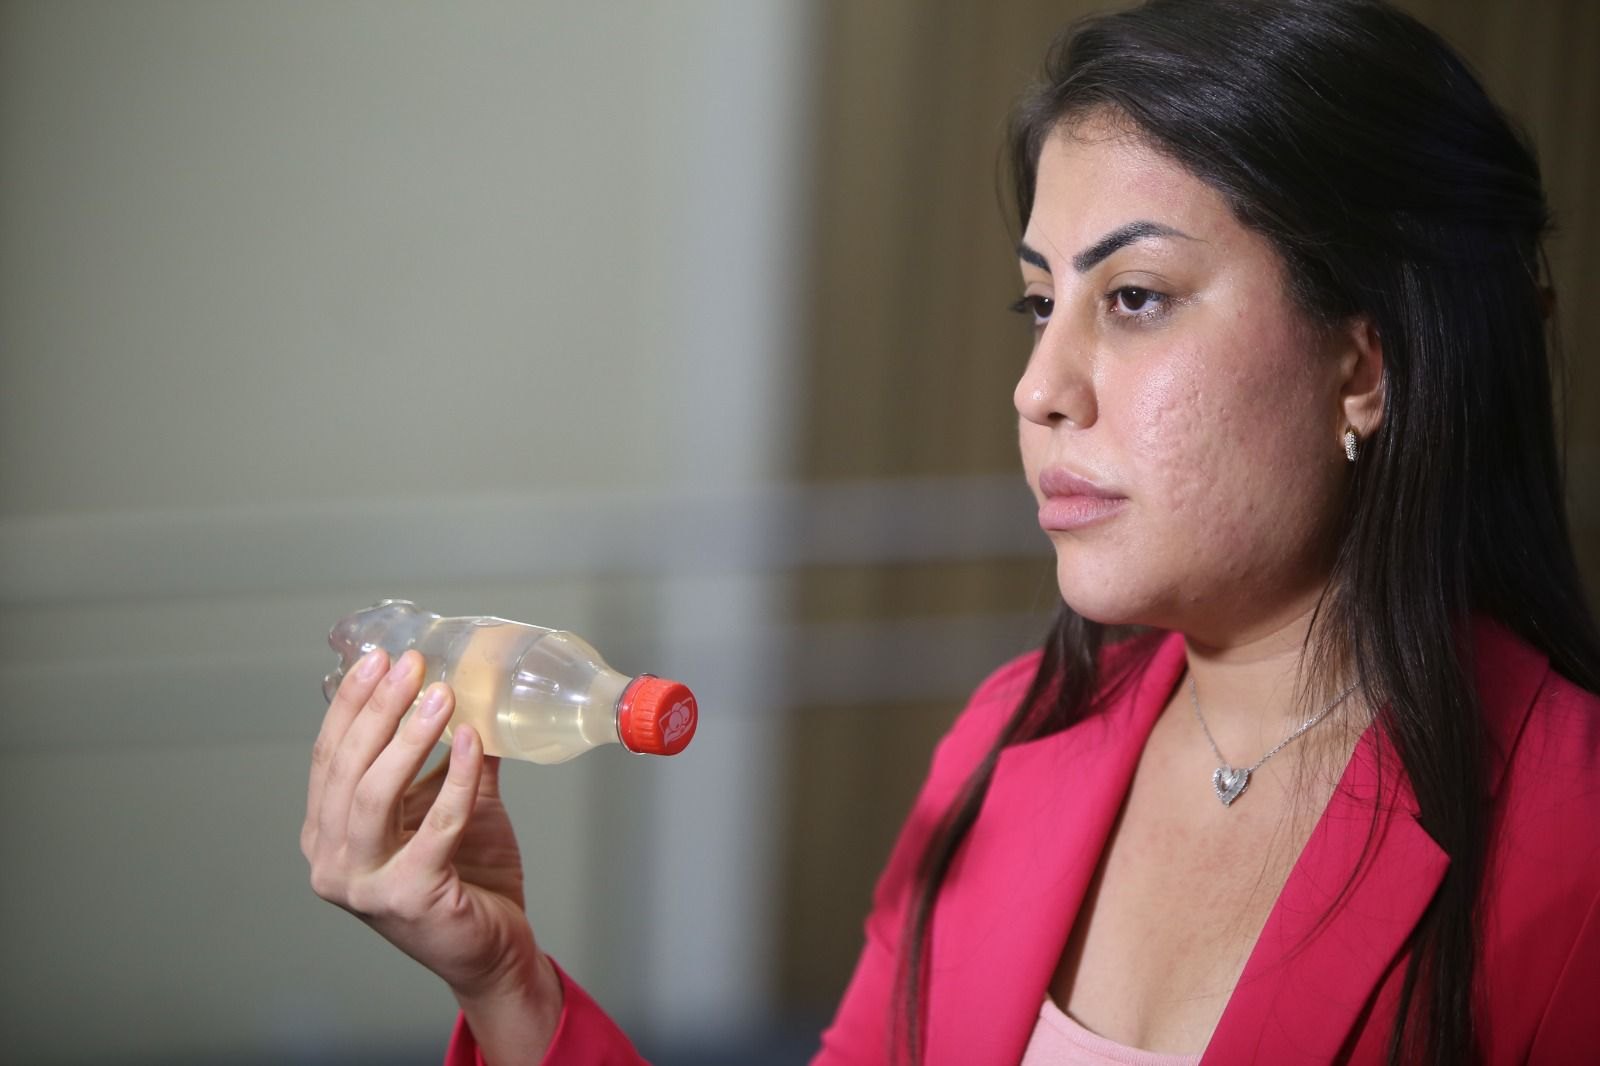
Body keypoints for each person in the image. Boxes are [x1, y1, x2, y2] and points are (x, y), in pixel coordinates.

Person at [301, 0, 1600, 1062]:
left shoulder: (1567, 837)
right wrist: (507, 981)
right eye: (1041, 305)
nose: (1041, 388)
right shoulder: (1009, 744)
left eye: (1135, 297)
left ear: (1363, 363)